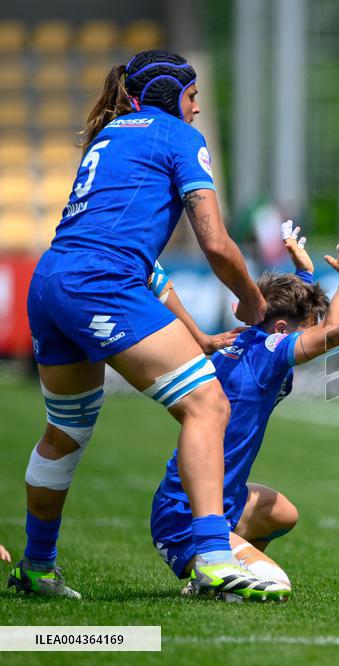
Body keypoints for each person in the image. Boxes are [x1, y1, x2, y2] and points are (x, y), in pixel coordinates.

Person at [10, 50, 284, 601]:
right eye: (193, 95)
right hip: (101, 283)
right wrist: (253, 300)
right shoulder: (179, 137)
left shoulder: (109, 137)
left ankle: (37, 566)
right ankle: (211, 557)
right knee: (208, 405)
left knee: (66, 432)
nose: (199, 107)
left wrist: (198, 336)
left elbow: (148, 265)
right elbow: (216, 242)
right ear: (170, 96)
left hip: (53, 279)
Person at [149, 223, 339, 599]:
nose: (309, 342)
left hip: (207, 499)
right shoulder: (270, 354)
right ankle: (214, 578)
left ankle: (218, 574)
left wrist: (305, 275)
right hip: (184, 519)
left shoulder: (249, 335)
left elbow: (287, 315)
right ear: (282, 330)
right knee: (277, 587)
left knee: (283, 514)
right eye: (304, 332)